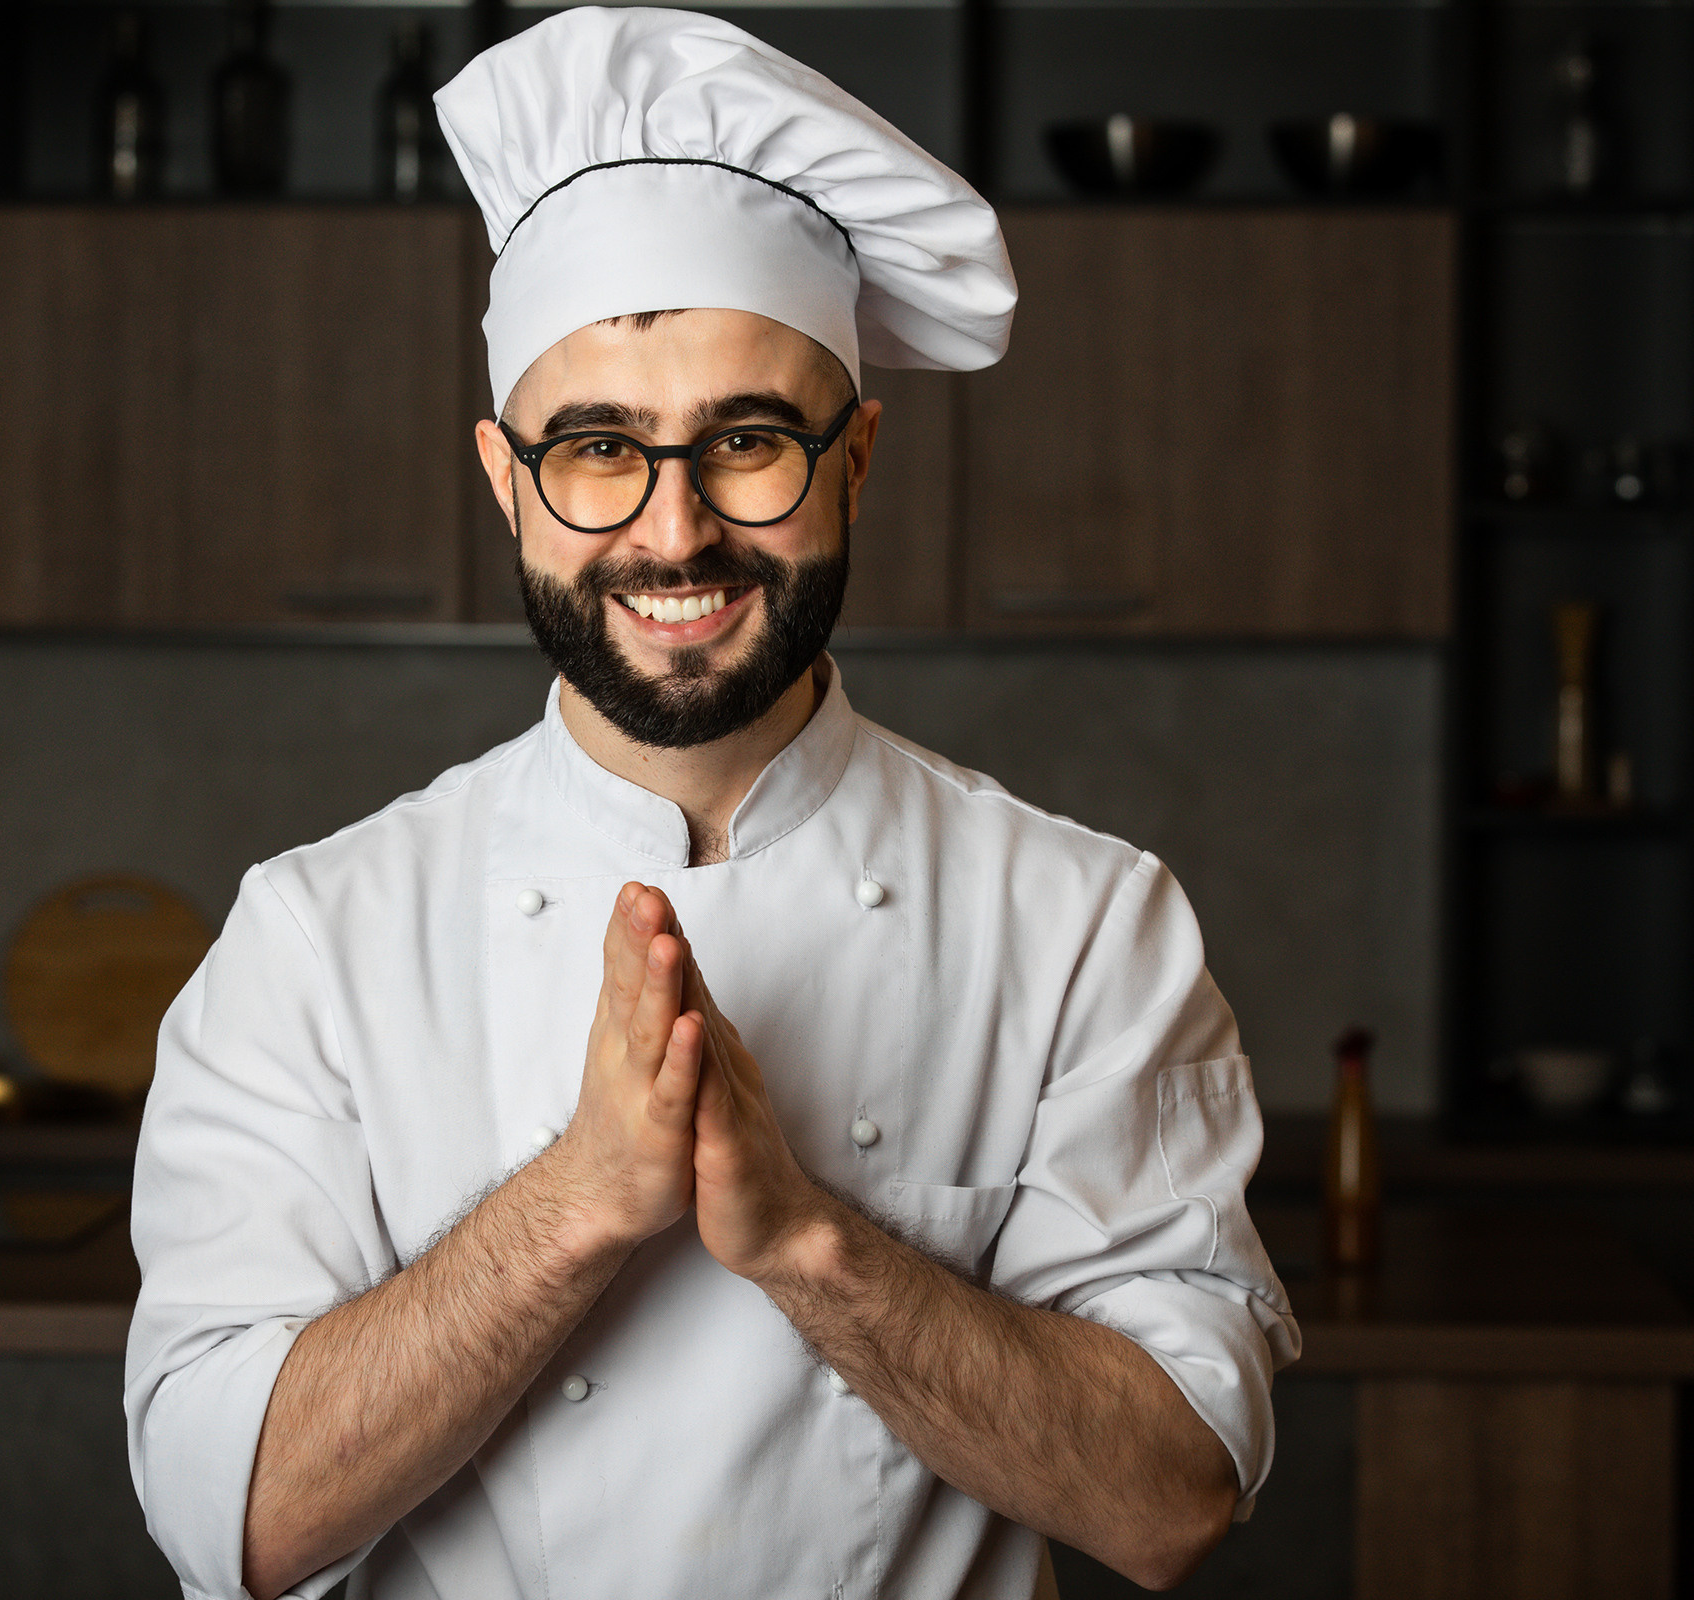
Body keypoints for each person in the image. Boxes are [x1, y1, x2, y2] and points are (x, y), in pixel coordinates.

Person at [124, 10, 1299, 1599]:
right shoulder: (317, 937)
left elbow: (1171, 1501)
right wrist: (576, 1209)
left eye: (749, 442)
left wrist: (812, 1243)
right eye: (599, 448)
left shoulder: (1082, 920)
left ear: (857, 459)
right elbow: (235, 1519)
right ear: (504, 479)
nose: (676, 533)